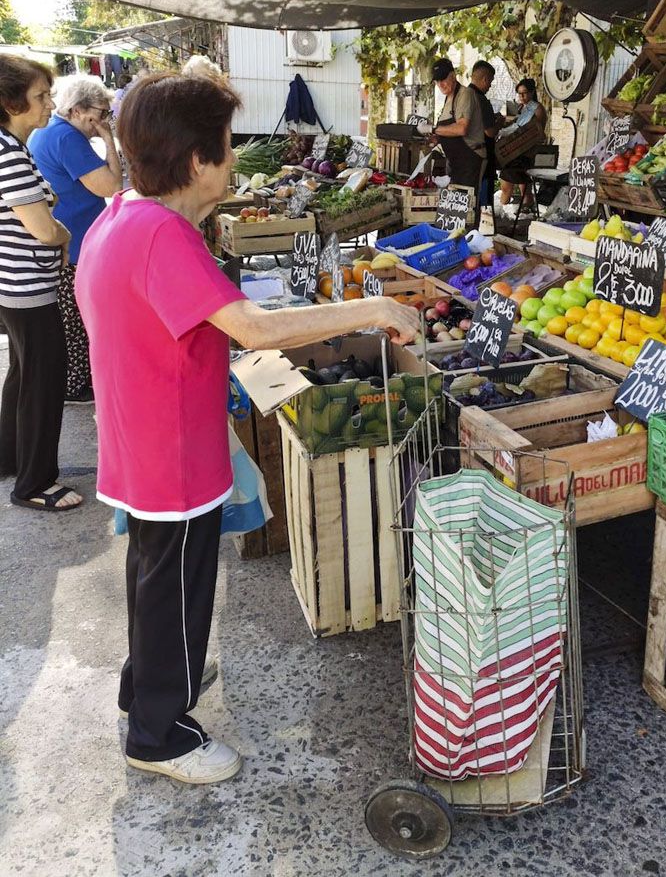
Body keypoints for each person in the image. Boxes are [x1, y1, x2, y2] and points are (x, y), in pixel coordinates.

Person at [75, 72, 419, 785]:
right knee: (177, 586)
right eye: (228, 147)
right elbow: (254, 328)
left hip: (141, 439)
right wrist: (372, 310)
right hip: (170, 447)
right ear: (196, 159)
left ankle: (148, 686)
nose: (234, 160)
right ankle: (159, 735)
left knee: (154, 577)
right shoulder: (161, 233)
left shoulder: (122, 215)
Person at [0, 55, 82, 512]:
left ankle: (10, 459)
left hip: (16, 285)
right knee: (43, 383)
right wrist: (64, 235)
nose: (50, 104)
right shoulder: (9, 153)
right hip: (27, 288)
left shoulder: (13, 146)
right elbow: (44, 229)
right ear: (10, 103)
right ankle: (34, 483)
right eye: (40, 96)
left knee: (23, 375)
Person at [29, 75, 123, 403]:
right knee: (77, 318)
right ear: (79, 110)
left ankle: (74, 382)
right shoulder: (67, 137)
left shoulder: (54, 132)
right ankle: (75, 385)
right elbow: (112, 186)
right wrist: (109, 140)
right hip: (74, 243)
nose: (104, 120)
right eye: (101, 113)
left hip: (69, 239)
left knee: (73, 315)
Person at [418, 58, 486, 204]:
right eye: (437, 81)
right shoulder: (448, 98)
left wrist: (433, 128)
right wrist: (435, 138)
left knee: (468, 205)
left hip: (470, 160)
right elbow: (448, 131)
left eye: (443, 79)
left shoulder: (465, 94)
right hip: (454, 161)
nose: (440, 84)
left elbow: (461, 128)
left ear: (453, 76)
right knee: (455, 206)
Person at [496, 78, 547, 210]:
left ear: (532, 92)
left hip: (525, 152)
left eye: (524, 93)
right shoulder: (519, 107)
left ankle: (506, 210)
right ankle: (521, 209)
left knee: (512, 186)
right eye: (519, 93)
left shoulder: (538, 109)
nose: (521, 96)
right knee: (521, 187)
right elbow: (511, 124)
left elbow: (537, 132)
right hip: (512, 150)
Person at [469, 60, 501, 210]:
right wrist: (499, 123)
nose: (490, 86)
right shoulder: (481, 100)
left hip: (464, 157)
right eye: (490, 82)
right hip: (481, 158)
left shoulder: (461, 96)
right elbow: (490, 132)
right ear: (485, 79)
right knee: (482, 205)